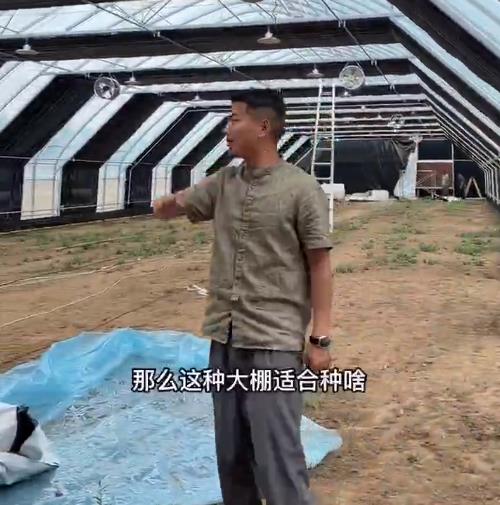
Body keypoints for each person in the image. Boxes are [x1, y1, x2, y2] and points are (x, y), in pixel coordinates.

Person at [153, 89, 334, 505]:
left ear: (264, 126)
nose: (227, 128)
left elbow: (320, 264)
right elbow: (181, 203)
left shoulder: (302, 189)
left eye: (235, 119)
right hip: (225, 338)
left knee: (277, 456)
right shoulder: (225, 182)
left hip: (273, 341)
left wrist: (320, 338)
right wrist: (165, 204)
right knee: (232, 454)